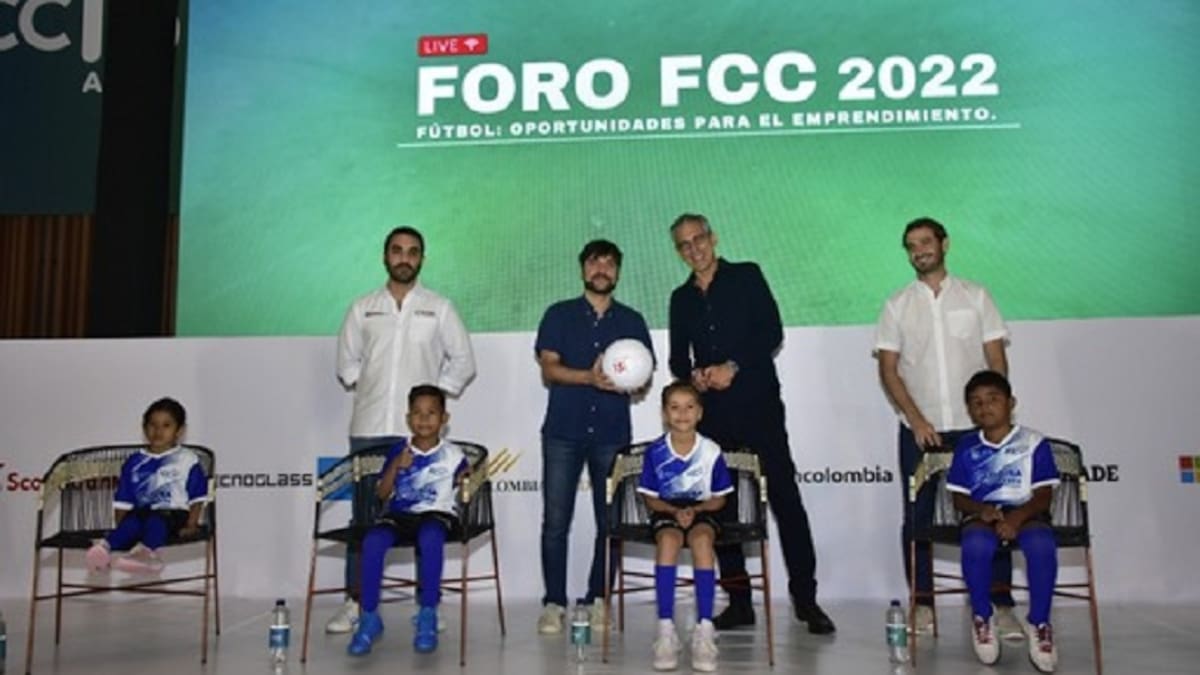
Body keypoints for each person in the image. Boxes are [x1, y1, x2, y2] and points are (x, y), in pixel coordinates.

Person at [667, 213, 834, 634]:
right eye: (684, 244)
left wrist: (733, 366)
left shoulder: (747, 276)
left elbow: (771, 332)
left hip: (759, 407)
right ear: (678, 252)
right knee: (721, 509)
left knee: (785, 500)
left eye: (698, 239)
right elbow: (677, 359)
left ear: (713, 238)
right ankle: (740, 602)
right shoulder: (680, 298)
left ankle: (806, 600)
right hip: (713, 416)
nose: (693, 249)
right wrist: (695, 377)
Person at [874, 216, 1020, 638]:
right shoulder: (897, 304)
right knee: (918, 519)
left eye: (925, 242)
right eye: (911, 245)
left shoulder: (976, 296)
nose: (919, 250)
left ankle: (1001, 605)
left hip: (978, 431)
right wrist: (916, 419)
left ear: (944, 244)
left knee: (994, 511)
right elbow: (889, 370)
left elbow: (996, 362)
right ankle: (922, 604)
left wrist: (994, 417)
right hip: (921, 433)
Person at [330, 225, 476, 634]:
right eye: (397, 251)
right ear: (385, 256)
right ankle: (356, 602)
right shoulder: (363, 307)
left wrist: (433, 398)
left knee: (425, 517)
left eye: (413, 252)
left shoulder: (439, 307)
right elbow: (346, 365)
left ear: (421, 259)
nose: (404, 258)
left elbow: (464, 361)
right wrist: (373, 385)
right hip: (369, 428)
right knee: (365, 520)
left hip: (422, 436)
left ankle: (428, 603)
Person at [534, 239, 654, 635]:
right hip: (563, 432)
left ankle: (599, 598)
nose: (601, 269)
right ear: (583, 268)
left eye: (609, 263)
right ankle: (554, 602)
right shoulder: (558, 314)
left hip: (611, 434)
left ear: (617, 271)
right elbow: (550, 369)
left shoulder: (632, 321)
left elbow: (643, 379)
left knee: (610, 523)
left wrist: (631, 380)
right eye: (594, 262)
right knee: (555, 522)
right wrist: (589, 377)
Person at [948, 370, 1060, 672]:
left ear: (1011, 403)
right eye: (976, 402)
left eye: (992, 399)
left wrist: (1017, 517)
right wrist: (980, 509)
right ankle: (982, 618)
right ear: (969, 410)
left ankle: (1039, 623)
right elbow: (958, 498)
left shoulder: (1034, 442)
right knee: (975, 543)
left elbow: (1043, 495)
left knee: (1040, 544)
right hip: (983, 514)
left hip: (1027, 513)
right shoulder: (966, 446)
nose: (984, 407)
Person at [346, 385, 468, 656]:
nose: (424, 419)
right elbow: (382, 493)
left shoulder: (454, 454)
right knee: (373, 541)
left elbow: (468, 483)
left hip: (437, 514)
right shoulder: (398, 450)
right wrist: (395, 466)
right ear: (408, 418)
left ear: (444, 418)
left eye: (431, 413)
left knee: (430, 537)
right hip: (399, 515)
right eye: (417, 413)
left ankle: (427, 614)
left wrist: (466, 481)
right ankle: (369, 617)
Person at [637, 381, 732, 672]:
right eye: (674, 408)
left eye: (689, 407)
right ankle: (666, 631)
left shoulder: (711, 450)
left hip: (702, 509)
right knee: (668, 541)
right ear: (665, 413)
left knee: (702, 540)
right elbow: (650, 498)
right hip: (667, 509)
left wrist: (697, 510)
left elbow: (720, 498)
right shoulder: (655, 452)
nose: (682, 414)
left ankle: (705, 629)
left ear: (700, 413)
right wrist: (673, 511)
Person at [85, 397, 207, 575]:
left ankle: (150, 557)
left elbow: (197, 497)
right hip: (141, 512)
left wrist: (192, 524)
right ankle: (103, 550)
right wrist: (123, 526)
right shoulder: (134, 461)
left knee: (155, 521)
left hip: (173, 515)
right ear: (144, 428)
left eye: (166, 425)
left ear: (179, 430)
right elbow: (124, 499)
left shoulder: (187, 459)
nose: (158, 431)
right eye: (153, 425)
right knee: (132, 523)